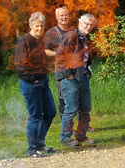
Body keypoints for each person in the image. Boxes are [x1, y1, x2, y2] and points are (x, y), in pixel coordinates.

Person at [16, 12, 58, 158]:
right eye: (37, 26)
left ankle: (40, 143)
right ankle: (32, 149)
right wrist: (32, 79)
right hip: (30, 83)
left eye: (42, 26)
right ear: (30, 26)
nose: (40, 29)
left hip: (43, 81)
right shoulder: (24, 41)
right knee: (35, 116)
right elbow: (20, 66)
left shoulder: (40, 41)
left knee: (51, 112)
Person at [55, 13, 96, 147]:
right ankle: (65, 138)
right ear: (79, 23)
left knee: (85, 108)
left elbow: (86, 57)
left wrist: (87, 72)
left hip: (83, 76)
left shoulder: (86, 38)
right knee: (71, 109)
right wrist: (68, 75)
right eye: (86, 24)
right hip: (71, 78)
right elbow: (60, 57)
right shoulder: (71, 36)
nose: (89, 27)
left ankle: (81, 135)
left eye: (91, 25)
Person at [43, 6, 74, 118]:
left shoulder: (74, 30)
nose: (64, 17)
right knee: (63, 97)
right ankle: (65, 125)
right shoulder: (51, 33)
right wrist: (58, 54)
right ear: (56, 17)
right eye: (61, 15)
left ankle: (83, 125)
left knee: (79, 96)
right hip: (61, 69)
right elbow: (45, 50)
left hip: (76, 68)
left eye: (66, 15)